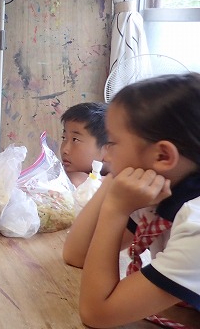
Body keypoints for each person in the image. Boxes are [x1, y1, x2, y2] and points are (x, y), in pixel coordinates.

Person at [62, 73, 200, 328]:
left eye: (113, 143)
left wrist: (115, 210)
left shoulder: (196, 224)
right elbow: (77, 254)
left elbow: (97, 314)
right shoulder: (164, 189)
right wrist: (113, 180)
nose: (105, 154)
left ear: (162, 156)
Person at [60, 102, 108, 187]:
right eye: (64, 138)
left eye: (75, 139)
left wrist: (79, 180)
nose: (65, 149)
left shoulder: (121, 183)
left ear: (107, 149)